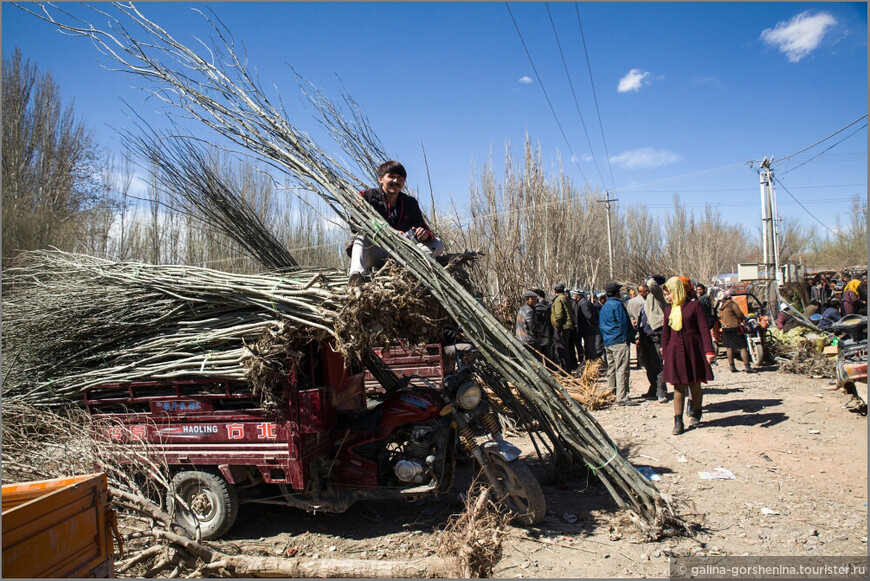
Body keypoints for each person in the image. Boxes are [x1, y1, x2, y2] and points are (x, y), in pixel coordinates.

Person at [348, 161, 443, 284]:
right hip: (374, 252)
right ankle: (357, 276)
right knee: (361, 237)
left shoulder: (410, 202)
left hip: (401, 254)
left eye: (400, 178)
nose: (396, 181)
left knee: (437, 243)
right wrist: (389, 232)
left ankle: (396, 268)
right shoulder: (366, 196)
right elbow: (355, 225)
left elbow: (424, 228)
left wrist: (424, 235)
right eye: (391, 176)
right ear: (381, 179)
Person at [661, 277, 716, 435]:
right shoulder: (668, 309)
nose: (667, 297)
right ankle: (678, 421)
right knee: (678, 386)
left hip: (694, 349)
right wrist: (664, 350)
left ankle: (697, 412)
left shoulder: (694, 306)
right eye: (665, 295)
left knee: (695, 384)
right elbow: (665, 333)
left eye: (669, 294)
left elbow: (704, 329)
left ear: (677, 291)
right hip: (675, 351)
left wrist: (708, 350)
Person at [599, 282, 636, 404]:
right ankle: (622, 396)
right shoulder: (618, 305)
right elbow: (624, 323)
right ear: (617, 293)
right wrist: (629, 338)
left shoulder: (604, 306)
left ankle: (611, 393)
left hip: (608, 341)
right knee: (622, 368)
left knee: (611, 368)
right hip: (619, 340)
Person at [717, 289, 753, 373]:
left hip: (725, 328)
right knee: (742, 346)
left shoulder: (720, 306)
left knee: (729, 347)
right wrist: (744, 319)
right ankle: (747, 366)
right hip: (734, 327)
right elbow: (739, 314)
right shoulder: (732, 304)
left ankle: (732, 366)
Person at [550, 283, 575, 372]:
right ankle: (567, 369)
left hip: (562, 328)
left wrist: (557, 326)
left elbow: (559, 315)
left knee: (561, 349)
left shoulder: (558, 300)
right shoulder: (565, 298)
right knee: (565, 348)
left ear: (555, 291)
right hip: (566, 327)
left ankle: (563, 370)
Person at [626, 285, 647, 370]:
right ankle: (642, 361)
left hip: (633, 323)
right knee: (642, 343)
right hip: (642, 324)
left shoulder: (630, 301)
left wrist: (632, 320)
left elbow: (629, 312)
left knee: (637, 343)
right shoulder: (644, 301)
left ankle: (639, 360)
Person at [571, 290, 586, 370]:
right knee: (578, 346)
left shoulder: (575, 304)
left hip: (575, 329)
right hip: (576, 328)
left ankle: (580, 361)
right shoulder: (576, 303)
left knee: (578, 346)